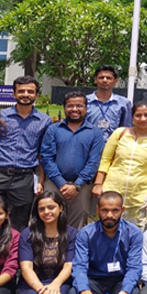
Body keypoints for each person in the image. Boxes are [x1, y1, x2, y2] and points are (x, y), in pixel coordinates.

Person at [0, 75, 52, 232]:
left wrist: (40, 180)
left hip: (24, 177)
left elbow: (41, 153)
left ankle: (14, 248)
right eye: (21, 91)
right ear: (14, 94)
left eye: (30, 91)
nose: (25, 94)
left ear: (36, 95)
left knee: (19, 222)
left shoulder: (44, 121)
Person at [66, 192, 142, 294]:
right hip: (94, 281)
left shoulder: (134, 233)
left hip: (120, 280)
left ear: (122, 210)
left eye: (115, 210)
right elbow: (79, 266)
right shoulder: (86, 233)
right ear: (98, 210)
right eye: (105, 210)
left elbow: (134, 267)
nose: (109, 215)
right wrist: (85, 291)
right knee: (74, 293)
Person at [93, 101, 147, 231]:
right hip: (112, 189)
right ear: (132, 117)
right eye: (138, 115)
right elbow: (105, 159)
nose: (142, 119)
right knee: (107, 230)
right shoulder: (120, 133)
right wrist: (98, 184)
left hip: (138, 195)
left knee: (135, 233)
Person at [41, 91, 104, 229]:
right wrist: (61, 183)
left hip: (82, 185)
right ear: (64, 108)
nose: (74, 109)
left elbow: (93, 161)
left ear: (86, 108)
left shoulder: (95, 132)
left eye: (79, 106)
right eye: (70, 106)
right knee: (49, 221)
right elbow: (46, 158)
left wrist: (76, 185)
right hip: (55, 182)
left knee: (77, 226)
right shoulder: (53, 130)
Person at [17, 191, 78, 294]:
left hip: (60, 282)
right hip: (32, 283)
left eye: (51, 207)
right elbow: (26, 268)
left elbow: (69, 266)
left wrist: (55, 285)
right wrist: (40, 289)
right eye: (41, 209)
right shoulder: (28, 234)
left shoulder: (72, 234)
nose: (46, 212)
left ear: (60, 208)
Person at [85, 65, 132, 142]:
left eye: (109, 78)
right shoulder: (85, 101)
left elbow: (126, 129)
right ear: (95, 80)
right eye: (101, 77)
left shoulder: (123, 103)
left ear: (115, 81)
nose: (104, 80)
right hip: (89, 145)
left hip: (114, 146)